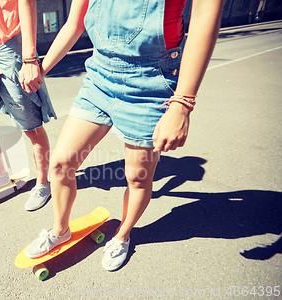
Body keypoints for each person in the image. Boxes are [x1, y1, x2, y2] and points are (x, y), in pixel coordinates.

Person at [22, 0, 226, 270]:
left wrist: (182, 103)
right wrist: (40, 68)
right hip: (99, 77)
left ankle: (122, 235)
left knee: (137, 178)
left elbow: (204, 16)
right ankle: (60, 231)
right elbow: (74, 22)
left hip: (150, 82)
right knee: (60, 164)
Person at [0, 0, 56, 211]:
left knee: (32, 130)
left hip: (11, 50)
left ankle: (43, 184)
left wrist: (29, 58)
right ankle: (0, 175)